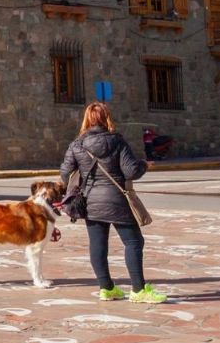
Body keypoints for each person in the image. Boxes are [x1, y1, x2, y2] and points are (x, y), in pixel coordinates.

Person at [60, 101, 165, 304]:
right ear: (107, 118)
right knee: (134, 242)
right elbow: (131, 171)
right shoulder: (117, 141)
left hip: (90, 201)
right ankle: (138, 289)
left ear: (86, 120)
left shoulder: (77, 145)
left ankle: (107, 288)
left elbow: (64, 174)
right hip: (117, 200)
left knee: (98, 246)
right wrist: (144, 164)